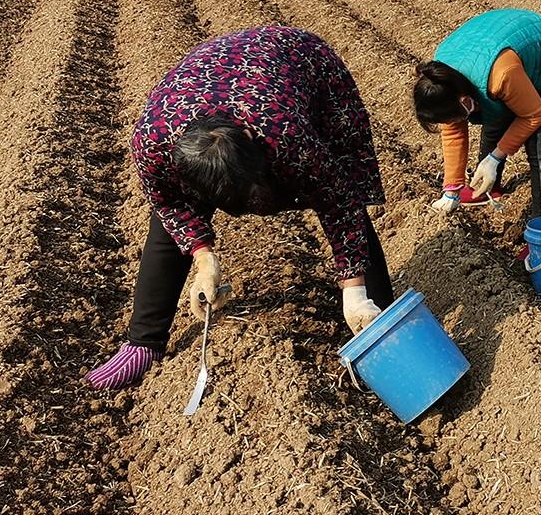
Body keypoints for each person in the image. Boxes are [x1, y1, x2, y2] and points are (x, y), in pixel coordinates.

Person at [86, 26, 393, 390]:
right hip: (206, 82)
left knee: (340, 189)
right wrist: (203, 257)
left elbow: (338, 201)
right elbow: (169, 203)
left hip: (303, 64)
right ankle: (144, 342)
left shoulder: (284, 130)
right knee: (166, 228)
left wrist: (354, 293)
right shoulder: (152, 145)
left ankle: (379, 323)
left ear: (252, 144)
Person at [413, 8, 541, 217]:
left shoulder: (501, 76)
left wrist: (495, 157)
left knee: (539, 139)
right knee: (493, 112)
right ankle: (487, 188)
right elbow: (453, 131)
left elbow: (534, 115)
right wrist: (452, 189)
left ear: (464, 100)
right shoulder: (442, 80)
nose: (455, 122)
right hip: (504, 52)